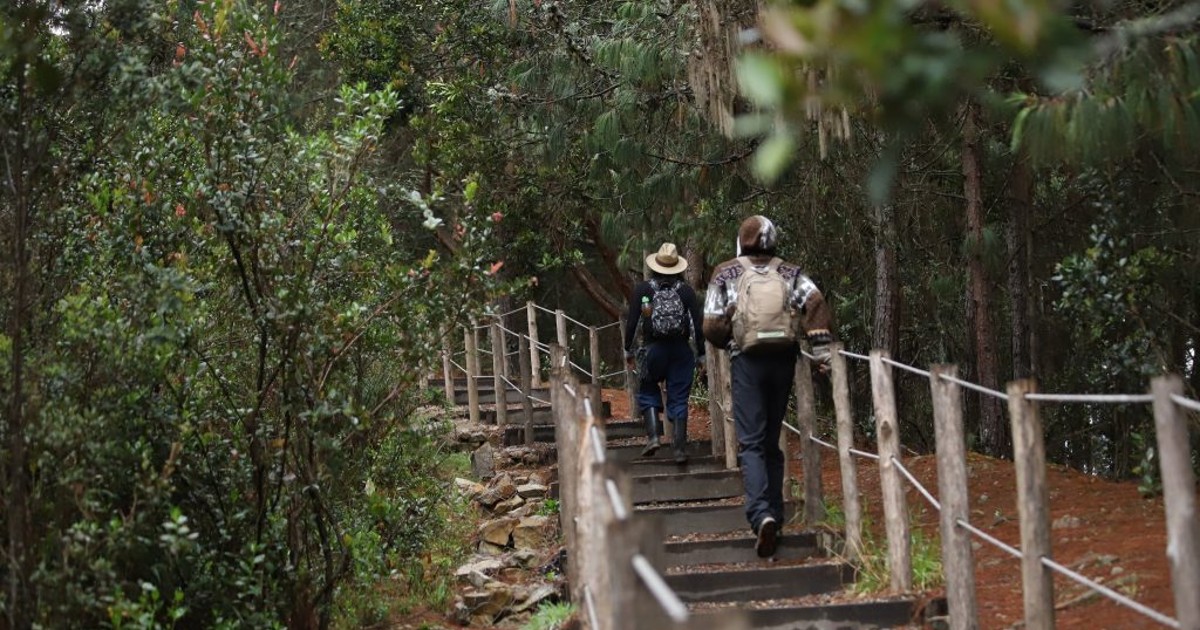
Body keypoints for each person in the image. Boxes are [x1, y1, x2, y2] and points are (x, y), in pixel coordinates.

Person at [701, 215, 834, 558]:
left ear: (740, 241)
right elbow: (816, 302)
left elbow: (712, 326)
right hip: (784, 360)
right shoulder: (789, 272)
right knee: (772, 439)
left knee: (751, 441)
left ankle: (762, 515)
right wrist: (820, 350)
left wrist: (730, 336)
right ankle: (776, 512)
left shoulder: (726, 272)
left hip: (747, 361)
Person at [623, 242, 706, 464]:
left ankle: (653, 438)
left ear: (655, 265)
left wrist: (627, 350)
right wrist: (701, 355)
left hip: (653, 350)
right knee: (679, 397)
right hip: (681, 351)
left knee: (648, 388)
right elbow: (697, 325)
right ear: (677, 267)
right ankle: (679, 450)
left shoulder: (643, 290)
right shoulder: (686, 291)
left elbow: (632, 322)